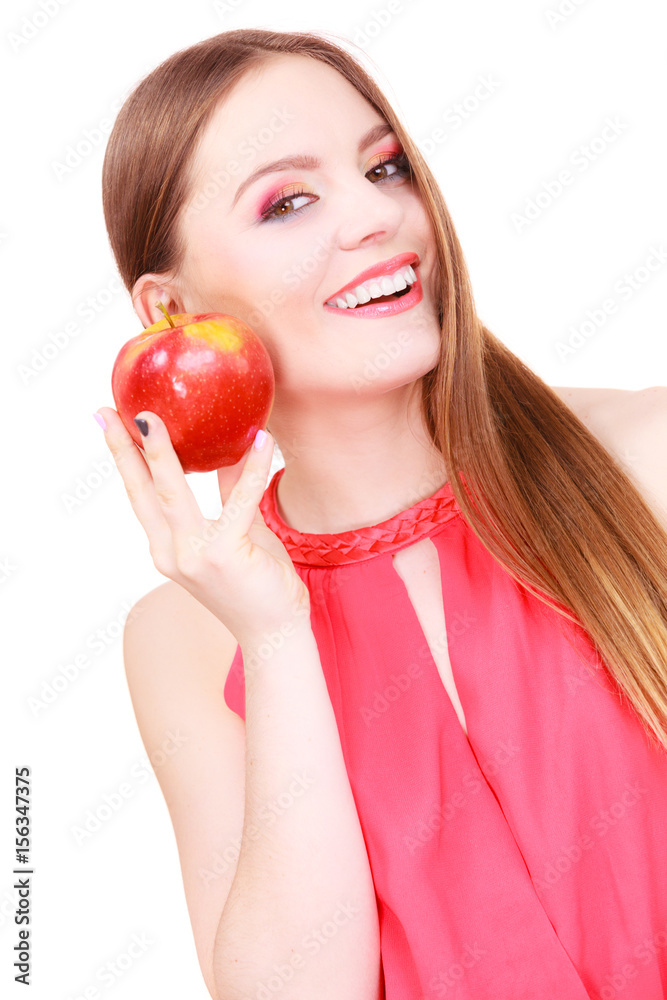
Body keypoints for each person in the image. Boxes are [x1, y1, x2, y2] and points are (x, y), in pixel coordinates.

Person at [95, 28, 667, 1000]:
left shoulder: (642, 457)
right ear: (172, 309)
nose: (377, 214)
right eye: (289, 201)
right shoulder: (185, 639)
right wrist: (274, 636)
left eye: (384, 166)